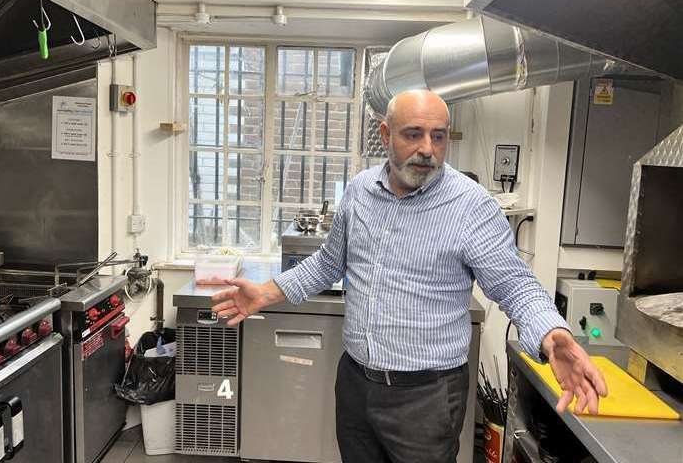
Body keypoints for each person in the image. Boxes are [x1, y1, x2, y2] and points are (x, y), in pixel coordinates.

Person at [211, 89, 608, 463]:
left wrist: (552, 335)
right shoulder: (360, 191)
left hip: (427, 398)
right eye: (413, 134)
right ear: (385, 134)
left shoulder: (471, 207)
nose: (427, 150)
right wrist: (267, 292)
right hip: (355, 383)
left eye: (438, 137)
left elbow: (515, 284)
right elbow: (329, 263)